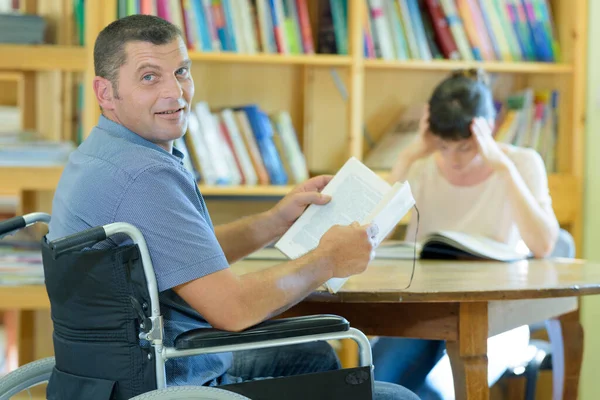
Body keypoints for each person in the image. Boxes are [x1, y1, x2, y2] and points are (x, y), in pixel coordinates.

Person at [46, 15, 418, 400]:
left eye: (182, 72)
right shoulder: (144, 175)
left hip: (112, 379)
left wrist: (274, 222)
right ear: (105, 92)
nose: (176, 92)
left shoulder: (103, 152)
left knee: (309, 356)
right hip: (173, 383)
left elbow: (184, 258)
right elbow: (234, 310)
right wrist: (328, 260)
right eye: (149, 77)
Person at [373, 68, 560, 399]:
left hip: (494, 317)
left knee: (440, 391)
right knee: (373, 383)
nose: (453, 159)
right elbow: (370, 233)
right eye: (444, 146)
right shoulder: (422, 166)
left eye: (465, 148)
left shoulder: (521, 164)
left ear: (486, 131)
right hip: (423, 311)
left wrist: (502, 167)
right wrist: (408, 155)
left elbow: (543, 245)